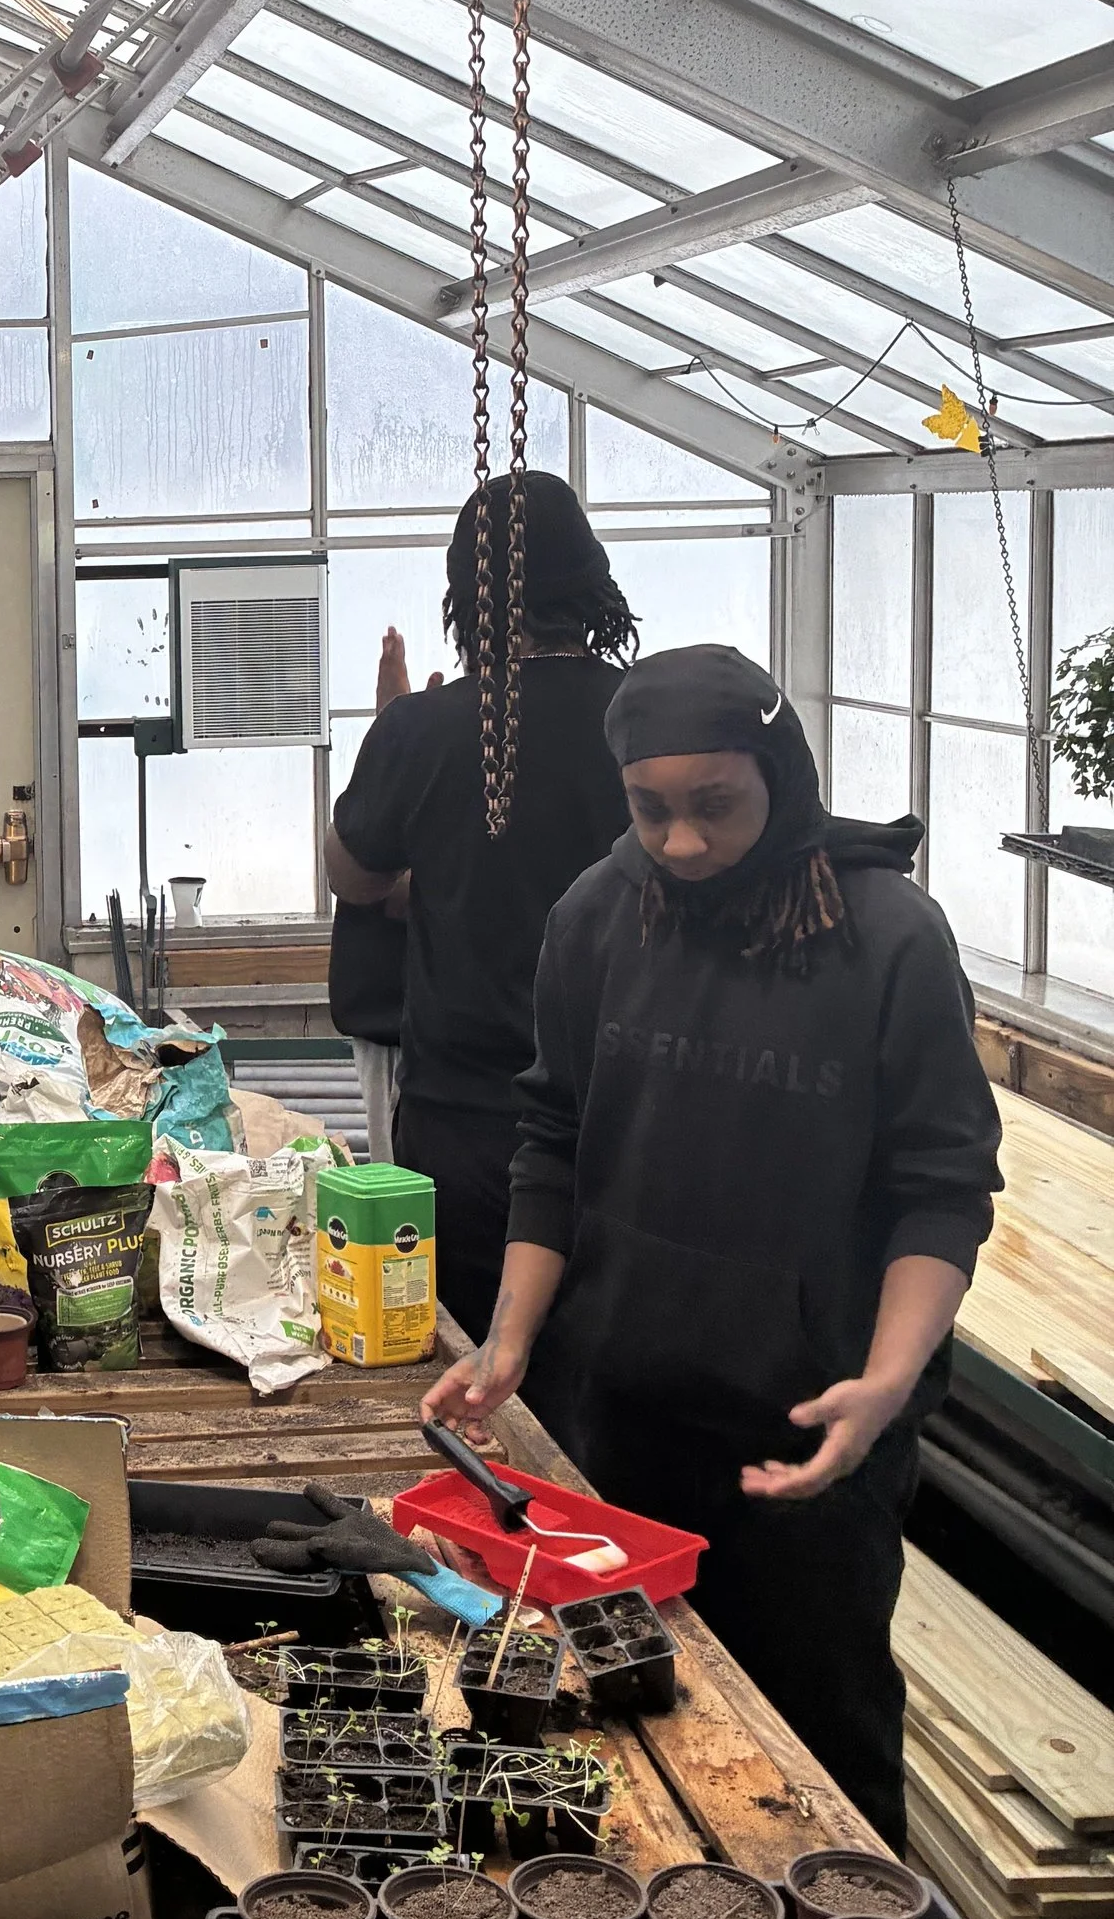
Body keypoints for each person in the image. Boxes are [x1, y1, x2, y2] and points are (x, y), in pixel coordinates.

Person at [425, 645, 1002, 1847]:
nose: (680, 843)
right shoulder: (598, 913)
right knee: (620, 1731)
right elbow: (554, 1139)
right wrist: (510, 1340)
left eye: (715, 806)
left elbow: (939, 1187)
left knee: (822, 1738)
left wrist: (886, 1381)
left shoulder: (888, 936)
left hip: (807, 1435)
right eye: (650, 809)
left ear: (779, 776)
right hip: (618, 1416)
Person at [325, 474, 639, 1395]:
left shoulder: (427, 728)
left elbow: (353, 873)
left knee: (466, 1369)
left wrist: (393, 741)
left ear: (466, 595)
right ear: (591, 582)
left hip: (468, 1126)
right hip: (622, 1117)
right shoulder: (646, 722)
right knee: (599, 1373)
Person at [329, 629, 426, 1162]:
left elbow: (380, 886)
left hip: (425, 1025)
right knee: (397, 1182)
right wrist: (393, 727)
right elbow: (364, 874)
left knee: (408, 1188)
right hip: (387, 1019)